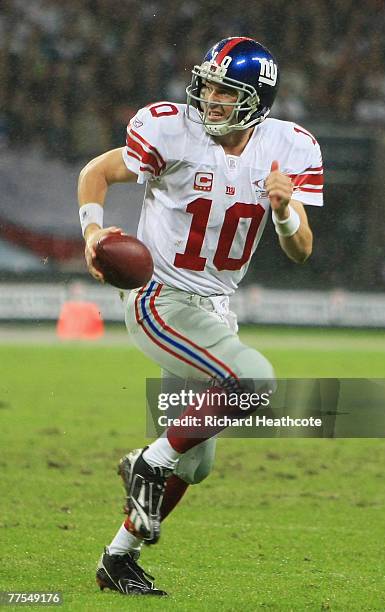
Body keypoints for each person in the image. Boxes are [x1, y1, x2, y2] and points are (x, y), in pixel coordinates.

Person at [78, 36, 324, 596]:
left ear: (257, 100)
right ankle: (147, 461)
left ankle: (118, 558)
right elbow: (97, 171)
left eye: (225, 89)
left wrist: (284, 210)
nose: (209, 98)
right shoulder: (172, 130)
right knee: (253, 380)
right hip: (159, 297)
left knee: (194, 466)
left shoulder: (289, 147)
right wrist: (94, 231)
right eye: (207, 84)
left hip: (213, 309)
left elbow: (302, 250)